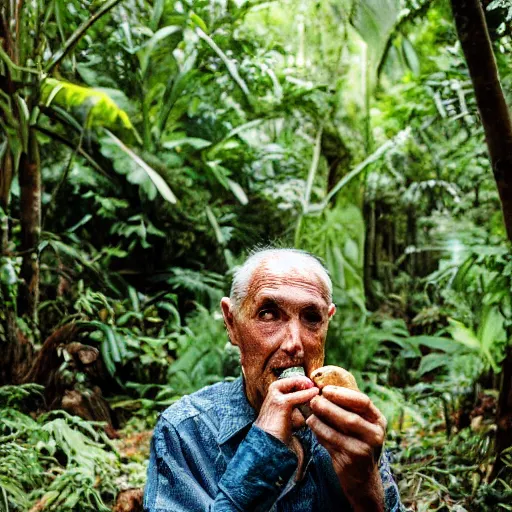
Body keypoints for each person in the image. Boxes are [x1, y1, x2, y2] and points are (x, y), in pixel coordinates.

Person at [144, 248, 406, 512]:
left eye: (312, 317)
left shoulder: (348, 426)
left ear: (328, 321)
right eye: (268, 314)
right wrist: (263, 451)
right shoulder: (185, 434)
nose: (294, 344)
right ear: (232, 322)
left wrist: (366, 489)